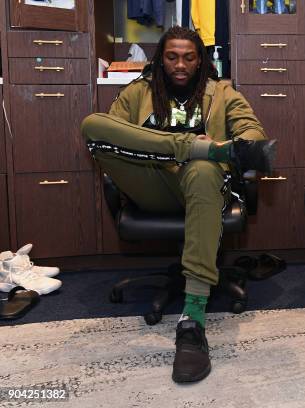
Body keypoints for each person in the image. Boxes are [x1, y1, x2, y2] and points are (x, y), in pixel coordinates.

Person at [80, 26, 276, 383]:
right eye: (172, 57)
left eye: (188, 56)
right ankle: (198, 148)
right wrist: (189, 145)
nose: (180, 64)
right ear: (161, 59)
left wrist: (221, 145)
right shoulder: (139, 92)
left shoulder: (223, 93)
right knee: (92, 124)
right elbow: (107, 130)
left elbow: (254, 138)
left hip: (202, 183)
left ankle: (193, 320)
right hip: (152, 183)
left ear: (200, 59)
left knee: (202, 169)